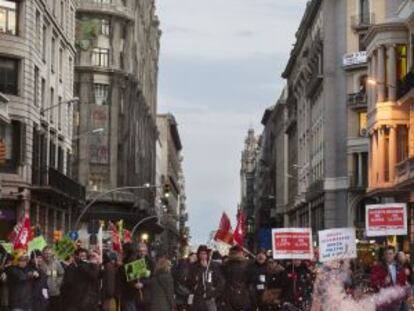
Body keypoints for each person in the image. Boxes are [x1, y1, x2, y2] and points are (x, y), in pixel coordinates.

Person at [187, 245, 225, 311]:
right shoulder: (194, 266)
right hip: (198, 299)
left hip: (210, 299)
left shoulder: (213, 265)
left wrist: (214, 294)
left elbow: (220, 281)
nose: (203, 256)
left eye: (204, 253)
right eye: (201, 254)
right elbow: (189, 281)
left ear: (207, 254)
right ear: (198, 254)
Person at [371, 246, 408, 311]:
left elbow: (403, 283)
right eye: (386, 254)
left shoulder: (400, 268)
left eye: (390, 253)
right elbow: (373, 283)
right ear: (384, 255)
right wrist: (383, 282)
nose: (388, 256)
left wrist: (405, 292)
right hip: (384, 302)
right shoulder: (377, 268)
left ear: (394, 254)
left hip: (399, 301)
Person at [220, 245, 252, 311]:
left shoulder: (225, 265)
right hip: (242, 293)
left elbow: (222, 279)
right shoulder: (247, 263)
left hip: (230, 294)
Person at [39, 246, 65, 311]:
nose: (47, 255)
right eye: (46, 253)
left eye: (49, 253)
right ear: (43, 254)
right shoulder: (40, 263)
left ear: (52, 254)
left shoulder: (56, 263)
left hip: (55, 292)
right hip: (43, 293)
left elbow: (61, 274)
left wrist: (58, 283)